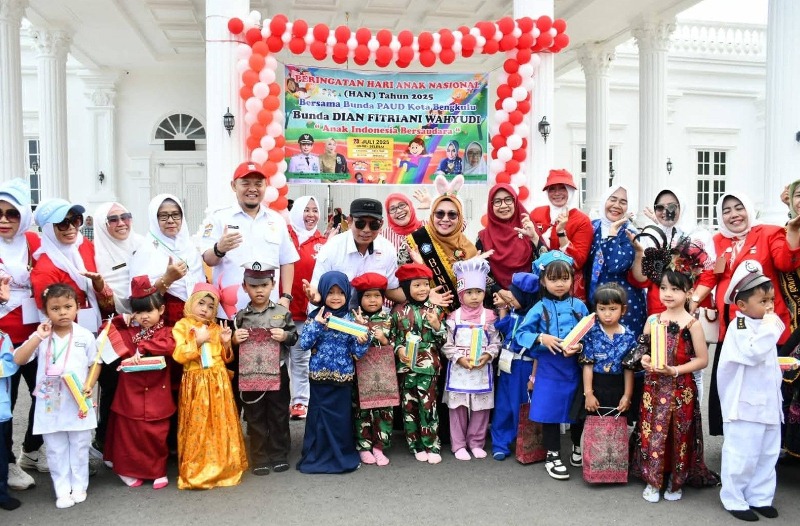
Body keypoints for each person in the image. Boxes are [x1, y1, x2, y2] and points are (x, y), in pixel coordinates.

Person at [691, 192, 800, 436]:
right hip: (731, 326)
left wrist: (792, 231)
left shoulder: (769, 233)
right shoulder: (718, 240)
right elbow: (710, 274)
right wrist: (694, 300)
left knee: (767, 384)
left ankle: (773, 438)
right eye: (727, 210)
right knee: (731, 380)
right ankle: (732, 430)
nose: (733, 215)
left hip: (766, 325)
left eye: (738, 208)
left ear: (749, 209)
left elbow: (785, 262)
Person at [631, 247, 719, 503]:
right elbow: (641, 350)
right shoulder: (652, 319)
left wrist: (676, 370)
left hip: (682, 388)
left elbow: (702, 360)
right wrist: (645, 360)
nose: (668, 294)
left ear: (689, 292)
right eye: (664, 288)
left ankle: (675, 479)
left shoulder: (693, 324)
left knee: (679, 434)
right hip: (654, 387)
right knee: (651, 432)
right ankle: (652, 478)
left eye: (675, 289)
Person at [12, 284, 99, 509]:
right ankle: (62, 489)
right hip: (50, 402)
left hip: (77, 400)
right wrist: (37, 338)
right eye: (55, 308)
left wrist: (90, 384)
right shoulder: (41, 335)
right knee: (55, 448)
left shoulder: (85, 335)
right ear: (45, 311)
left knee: (80, 445)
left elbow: (95, 362)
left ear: (77, 308)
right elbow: (19, 359)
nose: (62, 312)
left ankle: (79, 485)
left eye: (68, 307)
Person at [717, 261, 783, 522]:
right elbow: (754, 352)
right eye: (763, 301)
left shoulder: (765, 324)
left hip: (768, 402)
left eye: (772, 300)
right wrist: (770, 326)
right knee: (741, 453)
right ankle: (734, 497)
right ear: (742, 306)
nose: (769, 307)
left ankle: (760, 496)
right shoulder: (740, 326)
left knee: (767, 453)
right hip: (744, 404)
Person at [515, 251, 588, 480]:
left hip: (575, 367)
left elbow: (590, 334)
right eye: (554, 279)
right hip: (548, 366)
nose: (559, 284)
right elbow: (521, 333)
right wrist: (541, 338)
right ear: (543, 281)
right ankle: (553, 455)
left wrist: (581, 347)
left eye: (565, 278)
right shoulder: (538, 308)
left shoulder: (580, 306)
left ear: (572, 279)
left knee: (578, 409)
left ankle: (577, 446)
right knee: (550, 412)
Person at [102, 275, 176, 490]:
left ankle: (158, 470)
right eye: (139, 311)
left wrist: (142, 348)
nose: (144, 317)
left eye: (149, 311)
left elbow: (170, 346)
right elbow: (104, 333)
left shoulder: (167, 332)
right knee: (130, 434)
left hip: (157, 394)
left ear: (161, 310)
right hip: (130, 394)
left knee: (156, 433)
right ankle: (127, 470)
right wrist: (119, 319)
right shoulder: (127, 331)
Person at [172, 283, 247, 489]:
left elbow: (226, 359)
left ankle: (224, 466)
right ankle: (198, 469)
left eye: (210, 306)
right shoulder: (182, 326)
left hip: (218, 382)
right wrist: (197, 342)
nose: (205, 309)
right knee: (199, 426)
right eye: (201, 303)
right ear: (191, 303)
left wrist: (225, 343)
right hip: (196, 384)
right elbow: (179, 355)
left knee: (220, 424)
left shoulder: (216, 327)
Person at [201, 162, 298, 320]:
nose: (252, 189)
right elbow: (208, 259)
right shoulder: (218, 218)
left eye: (258, 184)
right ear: (234, 185)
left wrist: (286, 297)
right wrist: (220, 248)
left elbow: (287, 260)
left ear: (265, 186)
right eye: (245, 183)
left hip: (269, 313)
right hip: (229, 313)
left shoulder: (277, 220)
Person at [296, 271, 369, 474]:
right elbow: (304, 344)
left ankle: (341, 456)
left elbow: (357, 352)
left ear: (347, 294)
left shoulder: (350, 319)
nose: (335, 297)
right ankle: (316, 456)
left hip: (343, 378)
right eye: (330, 292)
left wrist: (364, 337)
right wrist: (318, 326)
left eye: (340, 293)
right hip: (319, 379)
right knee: (319, 419)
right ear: (323, 294)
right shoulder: (316, 316)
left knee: (340, 421)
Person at [233, 263, 297, 476]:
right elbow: (232, 343)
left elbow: (294, 337)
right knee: (255, 416)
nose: (259, 290)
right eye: (253, 286)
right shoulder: (241, 316)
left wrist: (285, 336)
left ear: (273, 285)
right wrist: (234, 339)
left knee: (278, 415)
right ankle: (259, 457)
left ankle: (278, 454)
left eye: (264, 285)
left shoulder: (282, 313)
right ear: (244, 287)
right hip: (252, 374)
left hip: (277, 371)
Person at [0, 179, 41, 489]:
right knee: (7, 404)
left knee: (47, 395)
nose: (4, 220)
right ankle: (8, 463)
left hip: (37, 336)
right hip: (3, 342)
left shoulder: (35, 243)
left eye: (12, 214)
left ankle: (32, 450)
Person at [441, 258, 500, 461]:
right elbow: (447, 345)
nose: (474, 297)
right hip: (459, 370)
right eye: (469, 292)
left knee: (481, 408)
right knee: (457, 408)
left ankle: (476, 442)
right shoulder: (453, 318)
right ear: (460, 294)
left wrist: (488, 355)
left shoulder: (490, 317)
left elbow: (496, 342)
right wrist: (458, 359)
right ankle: (458, 445)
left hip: (481, 370)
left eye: (479, 292)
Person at [391, 263, 447, 464]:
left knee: (429, 406)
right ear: (407, 288)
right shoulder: (397, 311)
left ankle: (432, 444)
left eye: (425, 284)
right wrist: (399, 350)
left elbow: (445, 339)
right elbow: (392, 337)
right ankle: (414, 444)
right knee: (409, 408)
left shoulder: (435, 310)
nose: (423, 289)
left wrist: (437, 326)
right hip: (406, 369)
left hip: (429, 368)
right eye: (417, 285)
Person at [128, 195, 205, 326]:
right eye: (163, 216)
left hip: (194, 318)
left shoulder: (190, 248)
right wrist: (167, 279)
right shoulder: (146, 250)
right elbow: (139, 298)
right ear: (154, 218)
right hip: (164, 319)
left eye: (175, 215)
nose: (170, 221)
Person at [307, 198, 402, 304]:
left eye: (373, 225)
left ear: (381, 224)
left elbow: (391, 289)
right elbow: (315, 287)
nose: (366, 230)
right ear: (350, 221)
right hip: (336, 316)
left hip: (372, 316)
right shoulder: (332, 247)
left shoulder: (387, 249)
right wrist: (315, 298)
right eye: (360, 224)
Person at [584, 185, 647, 335]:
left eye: (623, 202)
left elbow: (616, 265)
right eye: (612, 199)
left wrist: (612, 235)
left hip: (624, 307)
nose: (616, 205)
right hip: (596, 304)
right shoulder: (593, 226)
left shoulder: (630, 232)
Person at [404, 183, 478, 311]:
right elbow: (398, 288)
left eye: (452, 214)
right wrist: (425, 297)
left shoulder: (469, 249)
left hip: (461, 320)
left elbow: (479, 289)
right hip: (424, 317)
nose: (445, 219)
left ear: (459, 218)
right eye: (439, 213)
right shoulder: (414, 242)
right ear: (432, 215)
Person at [491, 271, 540, 461]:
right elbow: (503, 327)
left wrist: (533, 377)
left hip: (523, 367)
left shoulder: (535, 319)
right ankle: (500, 443)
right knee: (503, 405)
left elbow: (537, 352)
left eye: (513, 297)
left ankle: (523, 442)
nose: (509, 299)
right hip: (506, 364)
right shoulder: (514, 313)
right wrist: (504, 308)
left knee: (520, 405)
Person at [286, 196, 327, 420]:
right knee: (280, 359)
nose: (311, 215)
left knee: (300, 358)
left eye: (314, 210)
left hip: (307, 311)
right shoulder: (283, 235)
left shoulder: (323, 242)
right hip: (281, 309)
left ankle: (300, 402)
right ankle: (279, 399)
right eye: (306, 210)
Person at [524, 170, 593, 300]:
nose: (557, 193)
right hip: (538, 286)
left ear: (570, 191)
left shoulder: (582, 220)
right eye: (552, 189)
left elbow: (578, 262)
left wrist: (561, 233)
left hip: (567, 289)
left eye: (562, 188)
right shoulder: (537, 213)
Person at [351, 273, 395, 467]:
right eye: (367, 296)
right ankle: (364, 445)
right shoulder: (353, 318)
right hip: (361, 373)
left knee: (384, 410)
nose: (372, 300)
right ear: (360, 298)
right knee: (362, 411)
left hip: (384, 374)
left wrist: (384, 340)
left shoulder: (389, 317)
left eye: (376, 296)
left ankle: (379, 446)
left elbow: (398, 344)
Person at [579, 283, 636, 421]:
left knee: (616, 426)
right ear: (596, 309)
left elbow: (629, 369)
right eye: (602, 309)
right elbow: (588, 365)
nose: (607, 314)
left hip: (618, 387)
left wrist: (627, 396)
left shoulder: (628, 336)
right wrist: (588, 394)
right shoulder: (591, 333)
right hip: (596, 385)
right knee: (593, 425)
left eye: (613, 308)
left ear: (623, 310)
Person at [476, 183, 534, 300]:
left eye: (508, 200)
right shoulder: (483, 237)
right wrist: (500, 291)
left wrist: (535, 238)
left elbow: (544, 265)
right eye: (497, 201)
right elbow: (480, 272)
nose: (503, 205)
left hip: (529, 300)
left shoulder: (528, 230)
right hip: (496, 301)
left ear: (515, 202)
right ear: (490, 206)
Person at [92, 202, 144, 315]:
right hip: (112, 321)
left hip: (148, 315)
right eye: (113, 219)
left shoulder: (143, 244)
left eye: (125, 217)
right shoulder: (94, 254)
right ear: (102, 224)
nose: (121, 223)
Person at [0, 275, 21, 511]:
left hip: (0, 409)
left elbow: (11, 365)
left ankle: (2, 492)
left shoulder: (3, 338)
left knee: (1, 454)